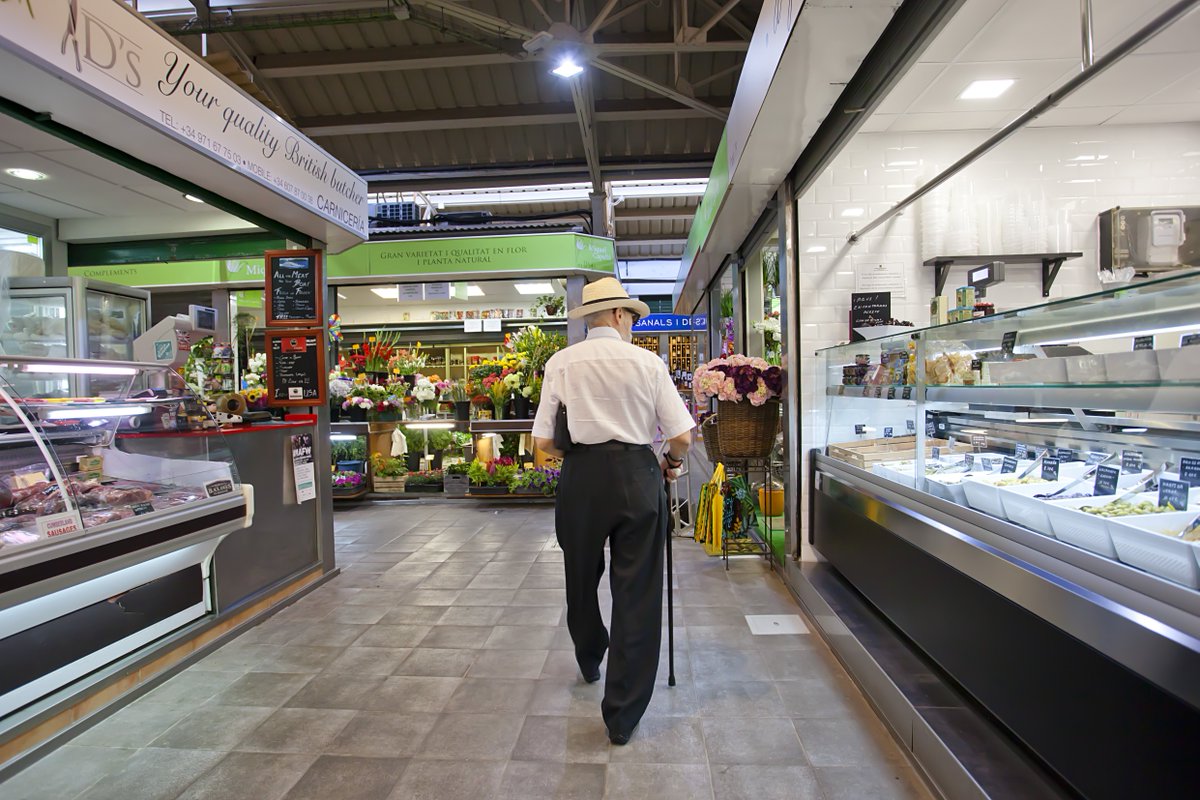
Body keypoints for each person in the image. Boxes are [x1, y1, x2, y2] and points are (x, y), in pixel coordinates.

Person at [532, 277, 695, 746]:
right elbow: (681, 435)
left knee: (580, 575)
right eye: (633, 319)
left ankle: (589, 655)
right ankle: (621, 716)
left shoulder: (560, 363)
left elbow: (543, 442)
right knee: (638, 590)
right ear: (621, 315)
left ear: (590, 317)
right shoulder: (647, 362)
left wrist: (582, 460)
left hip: (582, 478)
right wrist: (669, 463)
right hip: (638, 475)